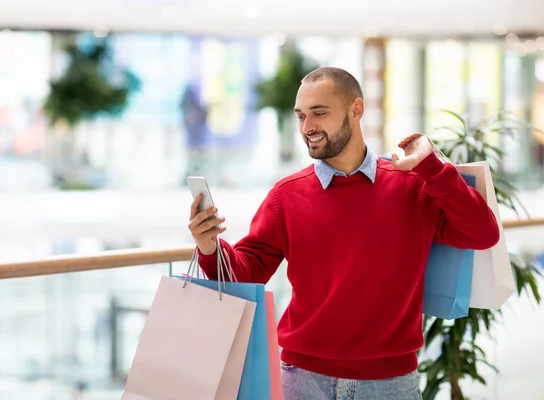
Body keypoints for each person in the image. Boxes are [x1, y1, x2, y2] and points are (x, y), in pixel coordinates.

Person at [188, 67, 499, 400]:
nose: (307, 127)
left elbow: (482, 234)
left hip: (390, 384)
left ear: (356, 110)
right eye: (301, 116)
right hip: (303, 381)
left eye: (319, 113)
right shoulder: (286, 196)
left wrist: (433, 166)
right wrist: (210, 248)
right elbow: (246, 273)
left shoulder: (413, 186)